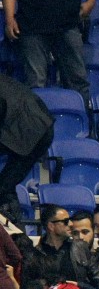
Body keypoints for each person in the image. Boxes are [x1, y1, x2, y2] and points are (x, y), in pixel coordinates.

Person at [0, 0, 97, 105]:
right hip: (32, 27)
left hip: (68, 24)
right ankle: (38, 122)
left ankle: (83, 119)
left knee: (78, 82)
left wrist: (91, 1)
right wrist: (9, 19)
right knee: (36, 84)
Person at [0, 75, 54, 224]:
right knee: (6, 185)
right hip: (40, 124)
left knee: (4, 186)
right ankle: (14, 224)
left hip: (29, 131)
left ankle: (13, 227)